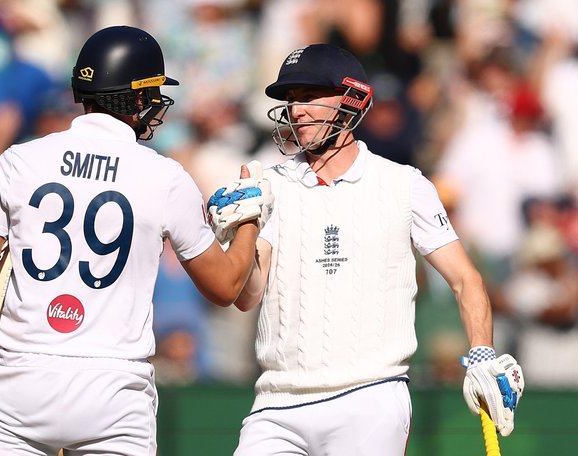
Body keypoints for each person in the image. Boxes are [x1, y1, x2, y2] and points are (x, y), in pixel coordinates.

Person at [0, 25, 271, 456]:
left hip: (17, 382)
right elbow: (226, 287)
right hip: (114, 390)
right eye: (151, 93)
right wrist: (248, 219)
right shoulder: (165, 176)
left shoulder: (17, 161)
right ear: (136, 99)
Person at [208, 43, 525, 455]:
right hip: (277, 401)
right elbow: (247, 297)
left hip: (370, 397)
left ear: (351, 100)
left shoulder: (404, 184)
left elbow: (466, 279)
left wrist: (482, 351)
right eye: (291, 100)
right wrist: (245, 227)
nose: (296, 110)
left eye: (309, 97)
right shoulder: (270, 183)